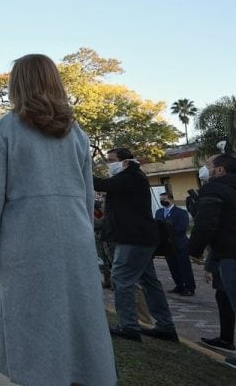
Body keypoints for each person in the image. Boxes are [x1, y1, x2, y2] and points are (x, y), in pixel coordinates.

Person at [0, 54, 116, 386]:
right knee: (78, 321)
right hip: (76, 239)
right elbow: (86, 194)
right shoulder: (77, 133)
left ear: (17, 84)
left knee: (33, 327)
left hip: (27, 242)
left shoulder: (3, 130)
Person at [94, 147, 178, 343]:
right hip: (140, 237)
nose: (108, 163)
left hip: (133, 238)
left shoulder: (130, 176)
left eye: (111, 159)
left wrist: (79, 167)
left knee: (121, 278)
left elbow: (101, 184)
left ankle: (128, 326)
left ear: (124, 162)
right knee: (149, 282)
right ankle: (165, 325)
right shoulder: (133, 177)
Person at [189, 153, 236, 377]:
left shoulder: (215, 189)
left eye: (208, 165)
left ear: (220, 170)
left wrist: (194, 251)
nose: (204, 169)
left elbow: (206, 224)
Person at [155, 192, 195, 296]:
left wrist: (168, 234)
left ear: (171, 199)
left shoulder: (180, 212)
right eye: (161, 199)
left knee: (184, 266)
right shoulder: (159, 212)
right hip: (167, 246)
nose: (162, 201)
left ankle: (189, 287)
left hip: (179, 244)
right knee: (173, 267)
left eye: (164, 199)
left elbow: (182, 227)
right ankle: (179, 285)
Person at [199, 250, 236, 355]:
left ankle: (226, 339)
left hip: (231, 261)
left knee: (224, 297)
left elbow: (220, 243)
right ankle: (226, 339)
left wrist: (210, 268)